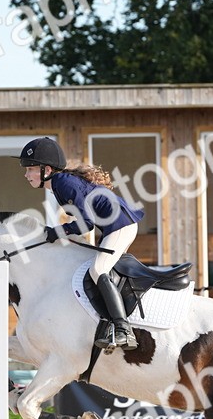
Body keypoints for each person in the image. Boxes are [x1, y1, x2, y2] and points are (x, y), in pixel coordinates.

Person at [16, 137, 144, 351]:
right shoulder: (59, 184)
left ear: (46, 169)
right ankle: (108, 324)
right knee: (98, 271)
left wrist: (56, 232)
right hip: (116, 225)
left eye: (30, 169)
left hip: (121, 225)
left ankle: (123, 329)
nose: (26, 174)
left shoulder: (63, 184)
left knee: (97, 269)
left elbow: (85, 225)